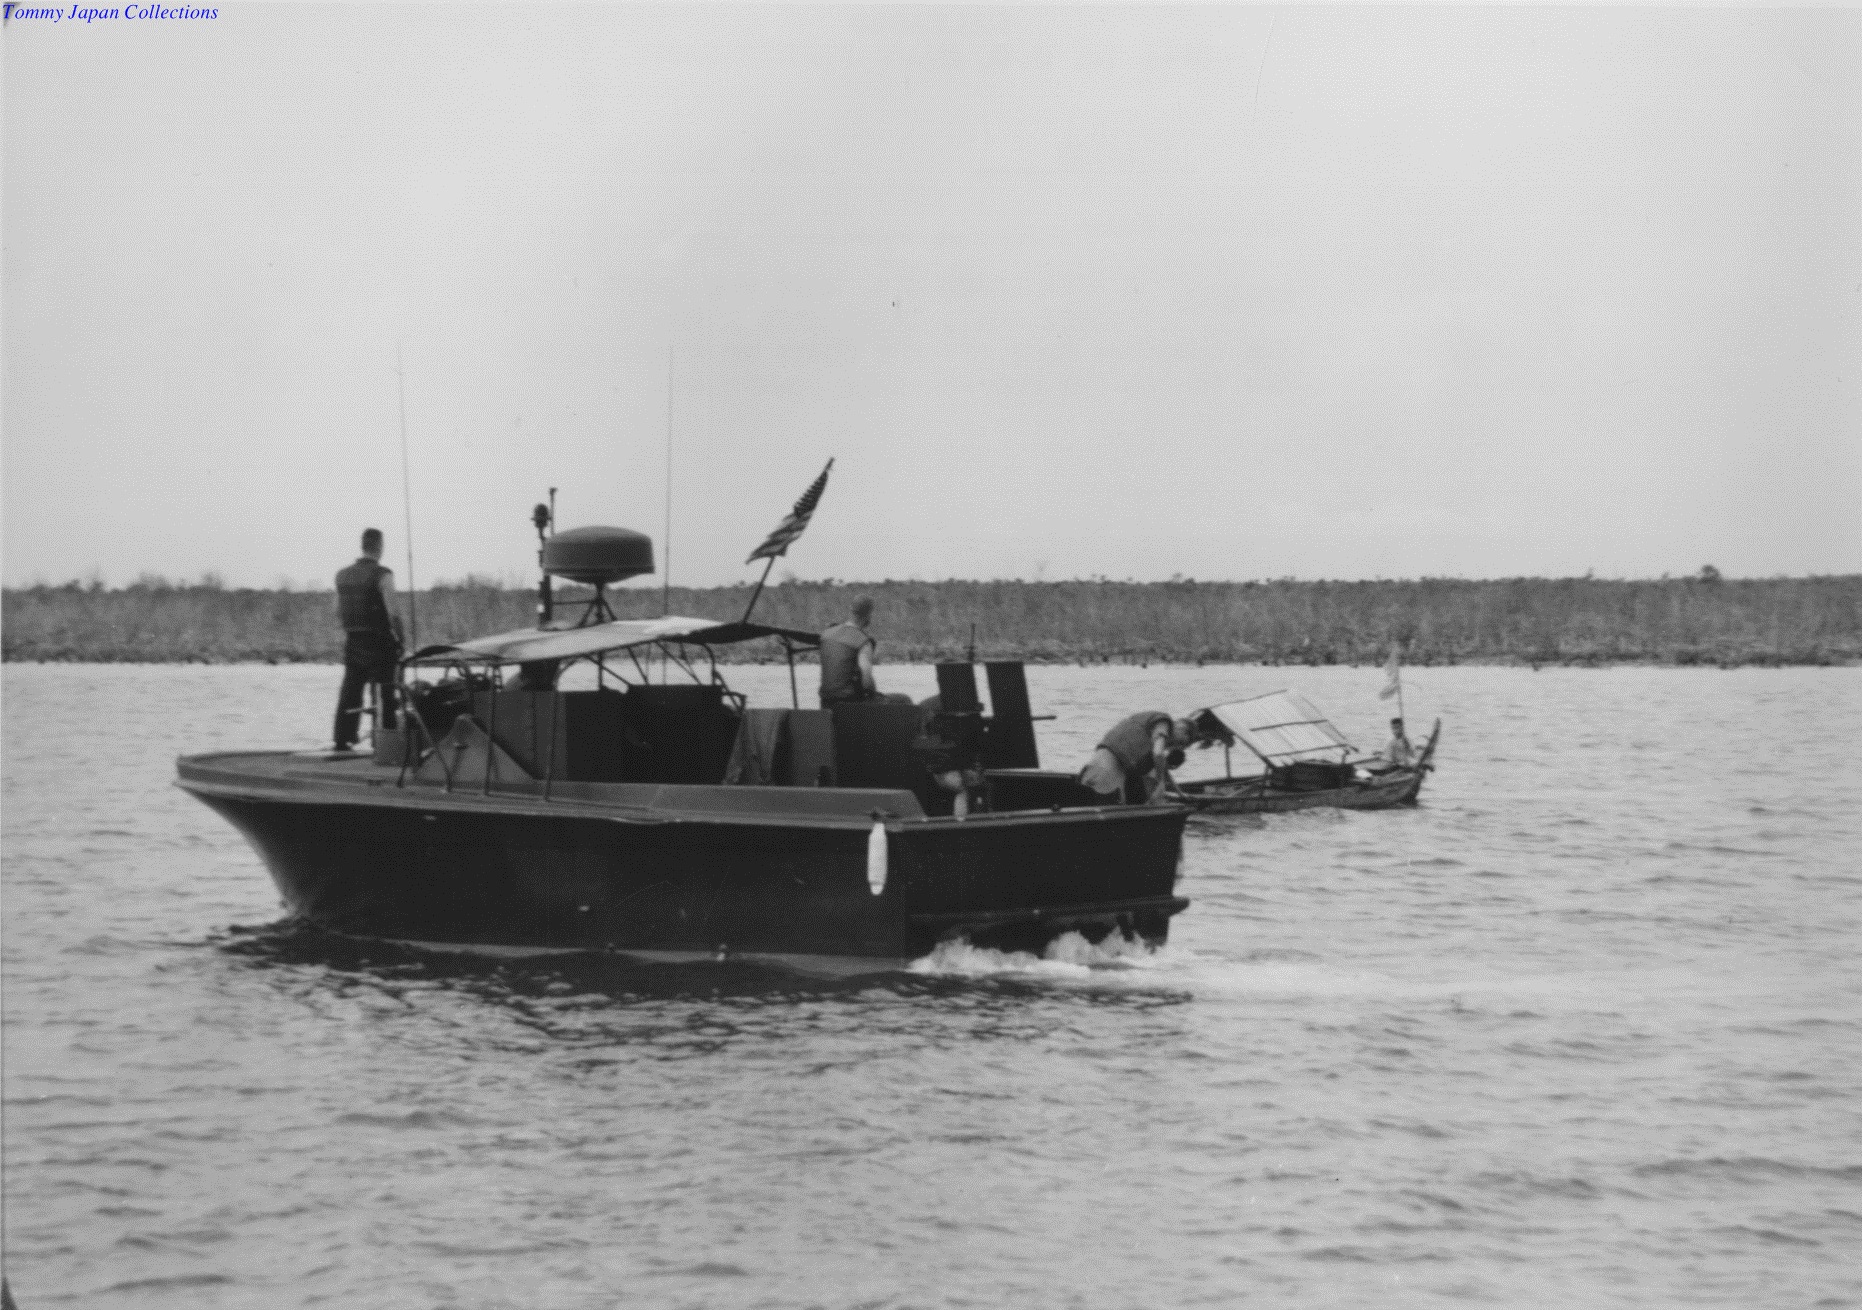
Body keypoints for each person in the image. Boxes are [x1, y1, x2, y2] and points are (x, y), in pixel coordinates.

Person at [331, 528, 405, 751]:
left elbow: (336, 610)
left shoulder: (341, 576)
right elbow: (393, 613)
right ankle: (383, 742)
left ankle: (342, 739)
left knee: (350, 690)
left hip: (353, 640)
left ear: (362, 545)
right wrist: (401, 640)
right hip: (380, 642)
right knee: (383, 693)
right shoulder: (384, 575)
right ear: (380, 546)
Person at [1078, 711, 1201, 805]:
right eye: (1180, 743)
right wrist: (1161, 783)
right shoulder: (1163, 724)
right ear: (1182, 729)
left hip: (1098, 767)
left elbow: (1162, 767)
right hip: (1106, 771)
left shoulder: (1153, 736)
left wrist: (1179, 793)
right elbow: (1158, 754)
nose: (1174, 746)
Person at [817, 597, 911, 707]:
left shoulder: (825, 634)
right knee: (904, 700)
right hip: (852, 705)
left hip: (826, 703)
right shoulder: (863, 642)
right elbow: (866, 681)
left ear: (851, 611)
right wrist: (874, 696)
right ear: (868, 615)